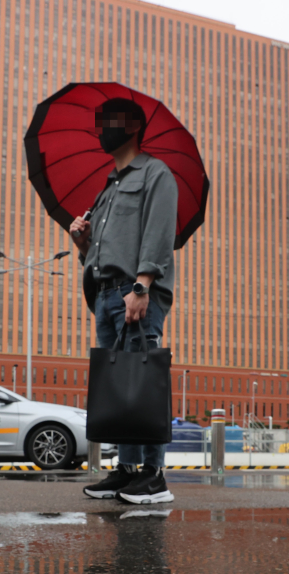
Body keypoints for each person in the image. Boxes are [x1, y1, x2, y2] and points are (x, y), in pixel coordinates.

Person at [68, 98, 178, 504]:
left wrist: (143, 285)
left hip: (135, 294)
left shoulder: (155, 174)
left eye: (108, 124)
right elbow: (101, 251)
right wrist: (83, 244)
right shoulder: (107, 188)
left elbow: (160, 232)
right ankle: (127, 470)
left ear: (131, 127)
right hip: (105, 294)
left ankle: (154, 476)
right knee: (120, 387)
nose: (102, 131)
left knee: (144, 381)